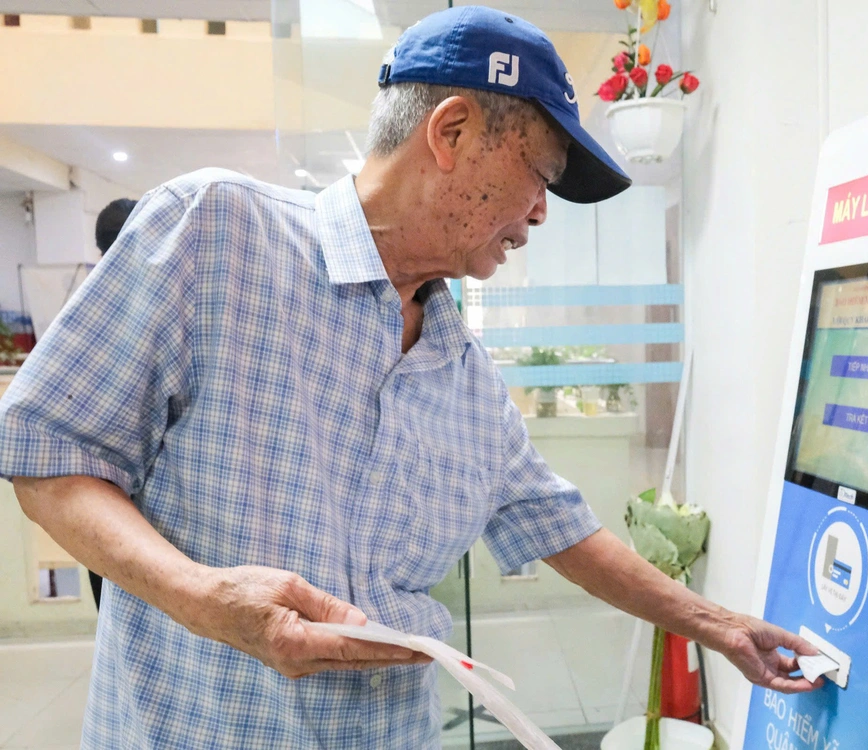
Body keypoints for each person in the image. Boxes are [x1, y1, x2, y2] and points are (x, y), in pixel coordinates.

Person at [0, 7, 820, 747]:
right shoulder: (216, 232)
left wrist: (720, 626)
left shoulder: (462, 370)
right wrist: (200, 597)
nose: (542, 212)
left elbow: (561, 529)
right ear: (451, 130)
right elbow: (48, 455)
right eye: (541, 173)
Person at [80, 197, 139, 611]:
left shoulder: (82, 308)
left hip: (94, 496)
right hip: (135, 491)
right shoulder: (150, 302)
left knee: (111, 603)